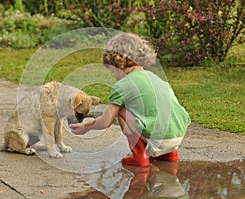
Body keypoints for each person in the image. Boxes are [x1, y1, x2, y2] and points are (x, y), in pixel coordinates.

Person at [70, 32, 191, 167]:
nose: (114, 76)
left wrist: (85, 127)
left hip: (158, 140)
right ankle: (169, 155)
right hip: (178, 136)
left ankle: (139, 156)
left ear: (118, 63)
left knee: (121, 109)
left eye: (113, 71)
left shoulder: (123, 85)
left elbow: (105, 122)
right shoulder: (156, 79)